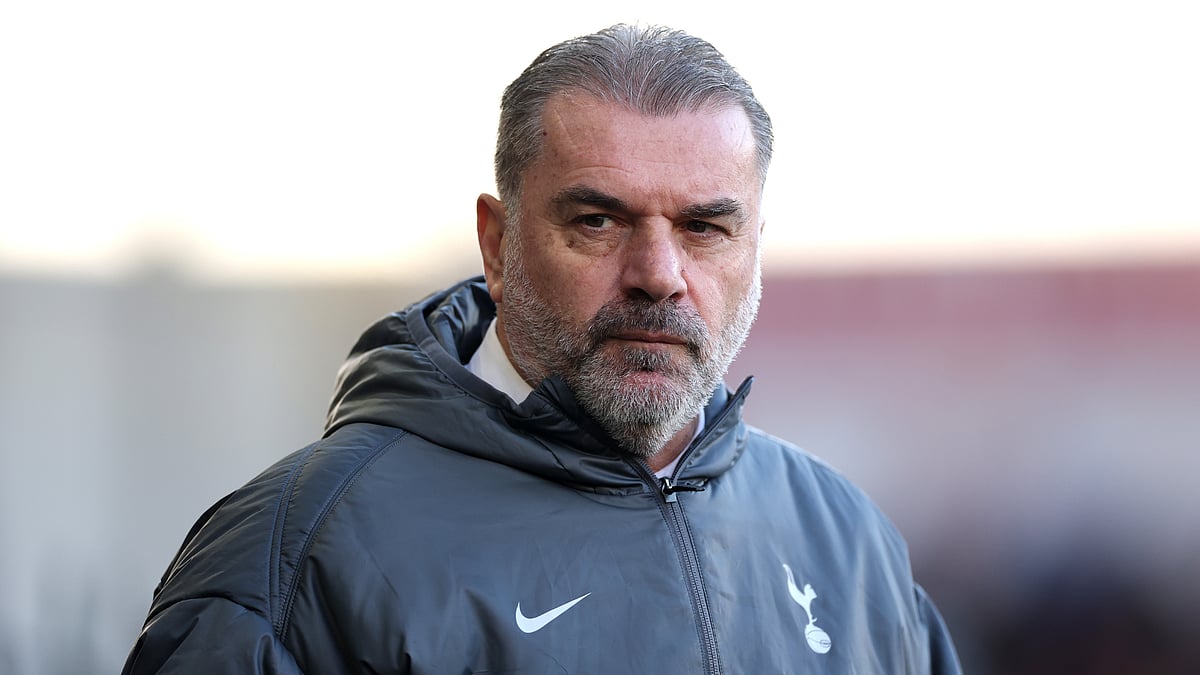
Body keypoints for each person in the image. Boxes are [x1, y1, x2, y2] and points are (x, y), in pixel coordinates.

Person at [122, 23, 961, 674]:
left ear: (755, 249)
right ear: (497, 244)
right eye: (598, 220)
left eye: (705, 228)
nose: (659, 275)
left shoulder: (850, 545)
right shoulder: (300, 553)